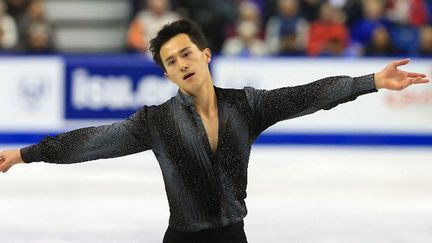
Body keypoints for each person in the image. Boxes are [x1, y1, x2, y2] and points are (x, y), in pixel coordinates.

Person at [0, 19, 429, 243]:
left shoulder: (246, 106)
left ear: (205, 54)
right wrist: (25, 154)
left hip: (231, 237)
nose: (181, 64)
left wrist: (368, 81)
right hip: (181, 239)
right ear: (168, 75)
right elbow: (92, 141)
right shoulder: (156, 121)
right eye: (171, 61)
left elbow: (307, 95)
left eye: (186, 53)